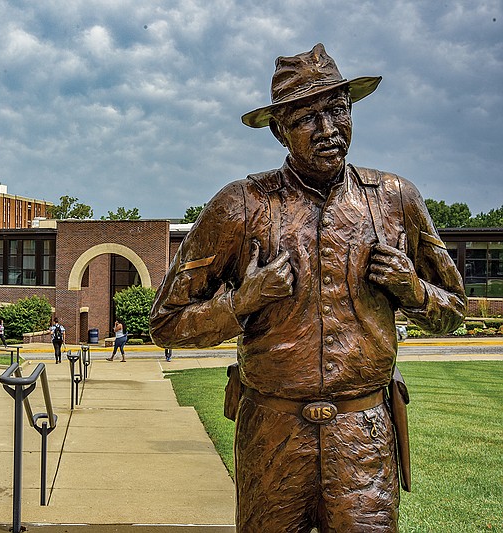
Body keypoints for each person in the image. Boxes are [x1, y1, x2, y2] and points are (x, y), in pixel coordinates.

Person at [150, 44, 466, 532]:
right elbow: (166, 324)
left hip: (362, 440)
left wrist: (413, 289)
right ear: (279, 130)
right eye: (306, 118)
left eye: (337, 110)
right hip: (272, 437)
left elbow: (455, 311)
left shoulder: (395, 201)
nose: (328, 130)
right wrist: (242, 301)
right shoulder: (241, 205)